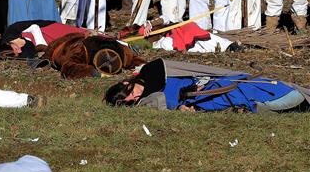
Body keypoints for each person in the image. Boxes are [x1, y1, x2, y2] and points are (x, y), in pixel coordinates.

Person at [105, 58, 309, 113]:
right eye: (129, 101)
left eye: (129, 93)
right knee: (237, 95)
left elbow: (178, 82)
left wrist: (182, 99)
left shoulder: (152, 71)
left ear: (126, 83)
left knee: (242, 85)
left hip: (207, 86)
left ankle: (293, 97)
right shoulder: (143, 102)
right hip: (203, 99)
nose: (134, 97)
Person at [0, 19, 145, 79]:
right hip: (53, 42)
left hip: (49, 29)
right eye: (16, 54)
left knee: (83, 33)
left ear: (9, 43)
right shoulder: (21, 49)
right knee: (81, 41)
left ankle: (123, 43)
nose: (18, 51)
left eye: (15, 48)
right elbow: (31, 53)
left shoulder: (12, 34)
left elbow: (34, 27)